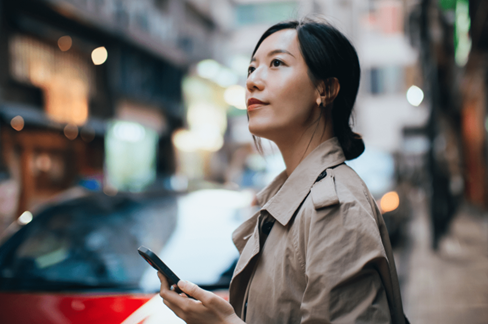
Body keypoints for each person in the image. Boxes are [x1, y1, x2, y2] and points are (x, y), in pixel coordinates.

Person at [158, 18, 407, 324]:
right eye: (251, 68)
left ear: (325, 90)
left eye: (276, 63)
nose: (252, 81)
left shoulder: (335, 209)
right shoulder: (288, 199)